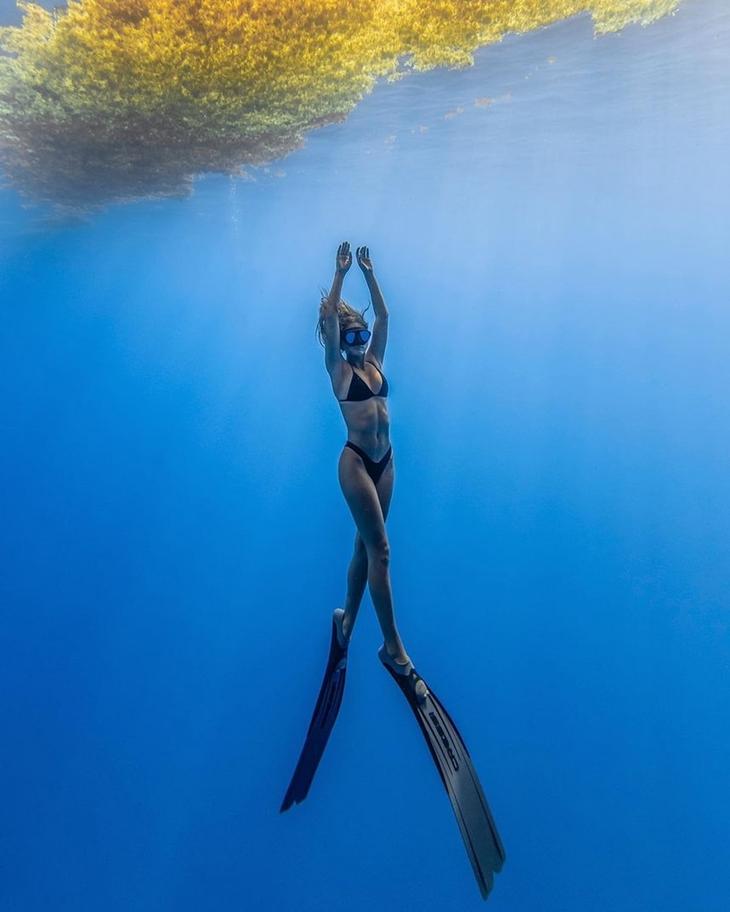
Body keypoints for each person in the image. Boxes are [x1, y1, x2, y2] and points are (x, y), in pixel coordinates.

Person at [280, 241, 505, 901]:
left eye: (356, 331)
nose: (354, 337)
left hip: (388, 462)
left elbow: (389, 319)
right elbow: (330, 320)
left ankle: (348, 617)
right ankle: (392, 646)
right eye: (345, 331)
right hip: (356, 464)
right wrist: (339, 275)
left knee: (363, 549)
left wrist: (373, 280)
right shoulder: (335, 367)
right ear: (333, 335)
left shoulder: (375, 359)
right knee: (381, 551)